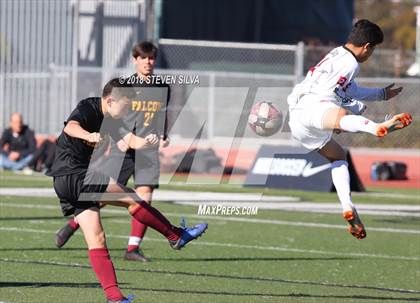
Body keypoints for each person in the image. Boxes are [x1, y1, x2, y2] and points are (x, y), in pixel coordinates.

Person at [47, 78, 207, 303]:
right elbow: (70, 127)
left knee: (97, 239)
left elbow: (130, 139)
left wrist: (147, 142)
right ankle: (175, 236)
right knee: (132, 198)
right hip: (74, 174)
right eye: (126, 104)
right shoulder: (89, 107)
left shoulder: (112, 118)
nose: (129, 108)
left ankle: (115, 298)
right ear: (111, 100)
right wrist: (88, 135)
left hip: (65, 182)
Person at [287, 19, 412, 239]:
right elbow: (338, 93)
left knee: (338, 156)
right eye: (373, 50)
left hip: (297, 119)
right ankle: (376, 128)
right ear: (367, 47)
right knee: (341, 117)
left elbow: (349, 88)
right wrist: (357, 107)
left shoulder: (337, 53)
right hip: (314, 106)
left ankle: (348, 206)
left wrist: (380, 95)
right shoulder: (351, 64)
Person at [55, 42, 171, 262]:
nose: (148, 62)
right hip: (122, 148)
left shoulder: (163, 87)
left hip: (145, 149)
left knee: (144, 196)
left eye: (152, 58)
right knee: (108, 195)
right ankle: (73, 223)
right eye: (144, 58)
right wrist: (114, 140)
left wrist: (162, 134)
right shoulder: (124, 87)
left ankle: (133, 248)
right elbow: (109, 117)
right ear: (134, 60)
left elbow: (163, 115)